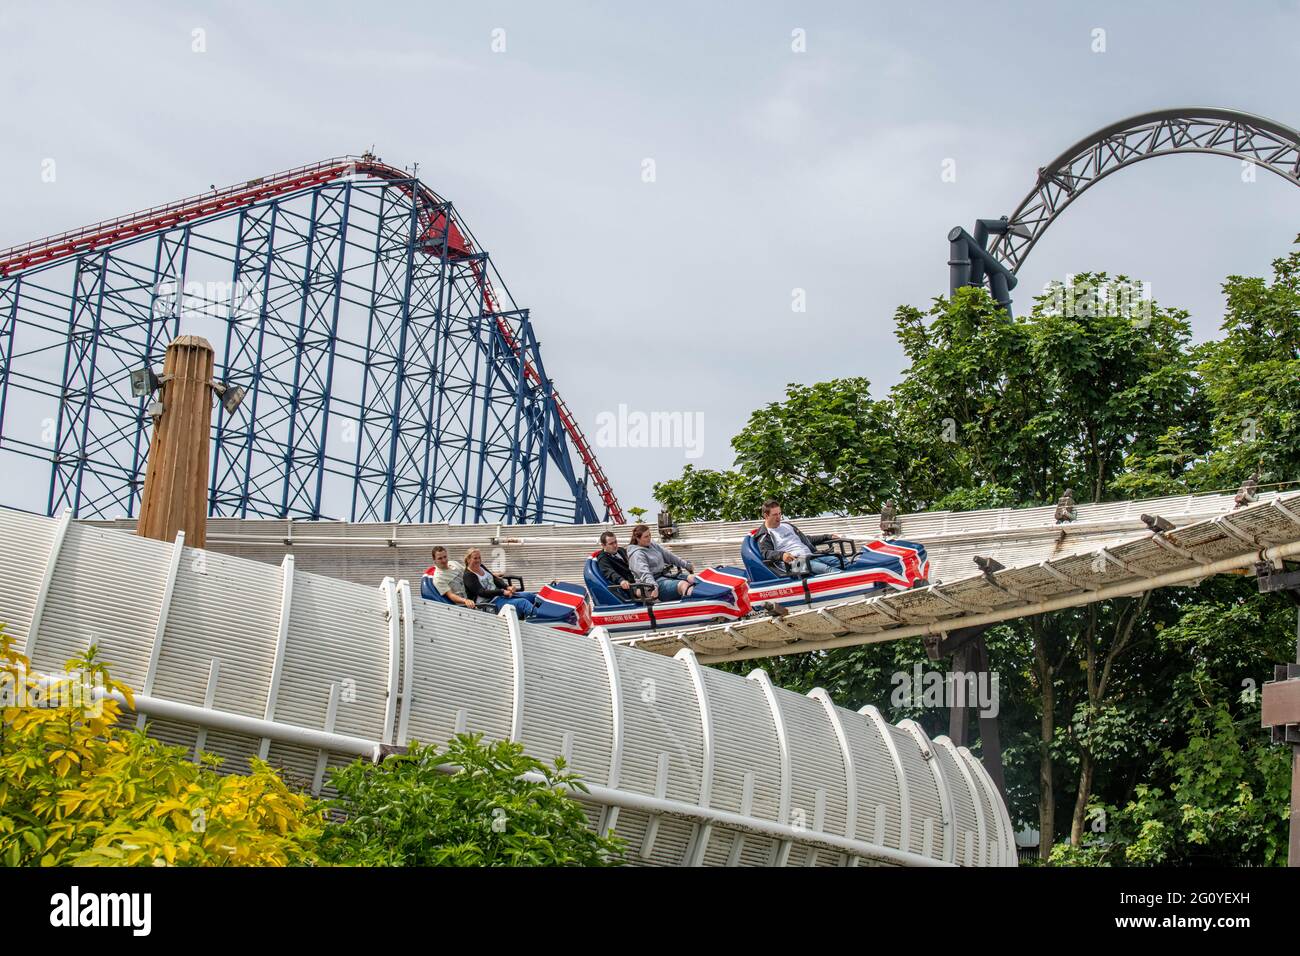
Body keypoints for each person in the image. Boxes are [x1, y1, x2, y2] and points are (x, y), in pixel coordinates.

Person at [754, 498, 842, 576]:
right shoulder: (764, 534)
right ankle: (849, 582)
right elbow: (766, 552)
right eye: (775, 515)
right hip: (794, 564)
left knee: (841, 561)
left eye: (780, 513)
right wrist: (782, 555)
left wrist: (827, 536)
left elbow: (806, 540)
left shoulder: (787, 526)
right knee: (827, 570)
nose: (779, 517)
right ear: (766, 516)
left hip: (811, 556)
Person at [626, 523, 697, 601]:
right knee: (683, 585)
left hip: (664, 576)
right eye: (646, 536)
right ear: (638, 538)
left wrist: (686, 564)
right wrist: (654, 587)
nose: (649, 538)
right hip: (652, 584)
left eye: (649, 535)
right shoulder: (637, 554)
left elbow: (669, 556)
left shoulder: (652, 545)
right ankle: (692, 608)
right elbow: (644, 574)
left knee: (693, 579)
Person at [463, 548, 540, 618]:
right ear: (468, 559)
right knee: (523, 603)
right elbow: (482, 592)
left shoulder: (481, 566)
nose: (478, 560)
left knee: (530, 596)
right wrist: (502, 592)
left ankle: (547, 612)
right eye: (475, 558)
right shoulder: (468, 575)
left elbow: (494, 578)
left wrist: (507, 587)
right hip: (490, 604)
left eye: (479, 558)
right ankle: (540, 619)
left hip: (498, 596)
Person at [596, 530, 634, 600]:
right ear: (603, 545)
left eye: (615, 542)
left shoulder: (621, 550)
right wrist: (621, 580)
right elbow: (609, 572)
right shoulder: (603, 558)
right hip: (630, 586)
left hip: (638, 578)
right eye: (611, 544)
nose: (615, 545)